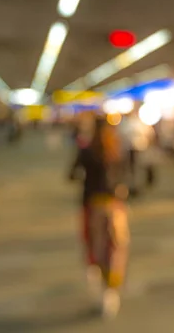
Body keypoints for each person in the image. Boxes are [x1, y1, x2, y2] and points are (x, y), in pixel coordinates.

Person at [69, 117, 129, 319]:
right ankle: (111, 292)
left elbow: (71, 174)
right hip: (113, 206)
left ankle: (99, 289)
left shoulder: (86, 150)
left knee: (95, 247)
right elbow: (124, 177)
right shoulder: (115, 149)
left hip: (93, 205)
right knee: (115, 247)